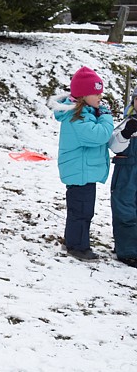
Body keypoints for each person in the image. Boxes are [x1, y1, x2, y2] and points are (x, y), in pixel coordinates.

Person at [49, 66, 114, 261]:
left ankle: (77, 242)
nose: (100, 99)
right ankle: (77, 246)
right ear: (84, 95)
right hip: (80, 172)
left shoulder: (84, 114)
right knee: (81, 211)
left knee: (83, 210)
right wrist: (106, 116)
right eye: (96, 94)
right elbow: (100, 135)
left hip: (83, 171)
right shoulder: (77, 117)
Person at [108, 87, 137, 268]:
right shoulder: (127, 121)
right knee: (124, 209)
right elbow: (114, 144)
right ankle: (127, 250)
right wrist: (126, 134)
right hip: (126, 170)